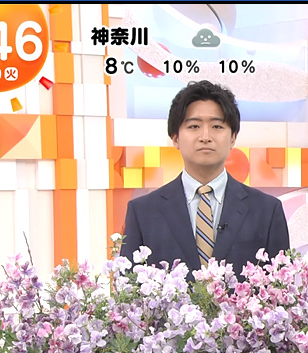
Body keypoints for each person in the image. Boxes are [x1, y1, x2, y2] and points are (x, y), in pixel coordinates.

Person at [120, 80, 290, 280]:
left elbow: (280, 288)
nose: (205, 136)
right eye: (194, 126)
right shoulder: (143, 213)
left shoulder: (267, 211)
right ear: (175, 138)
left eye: (217, 126)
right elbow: (129, 290)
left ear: (233, 138)